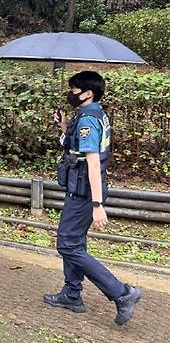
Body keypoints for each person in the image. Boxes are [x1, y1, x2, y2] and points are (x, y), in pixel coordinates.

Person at [45, 71, 141, 325]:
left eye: (74, 90)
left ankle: (122, 293)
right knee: (75, 241)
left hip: (85, 191)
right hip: (81, 188)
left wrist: (98, 204)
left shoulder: (88, 120)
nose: (71, 94)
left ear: (88, 93)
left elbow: (93, 161)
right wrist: (64, 126)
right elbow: (76, 147)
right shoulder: (93, 113)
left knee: (67, 244)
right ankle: (72, 293)